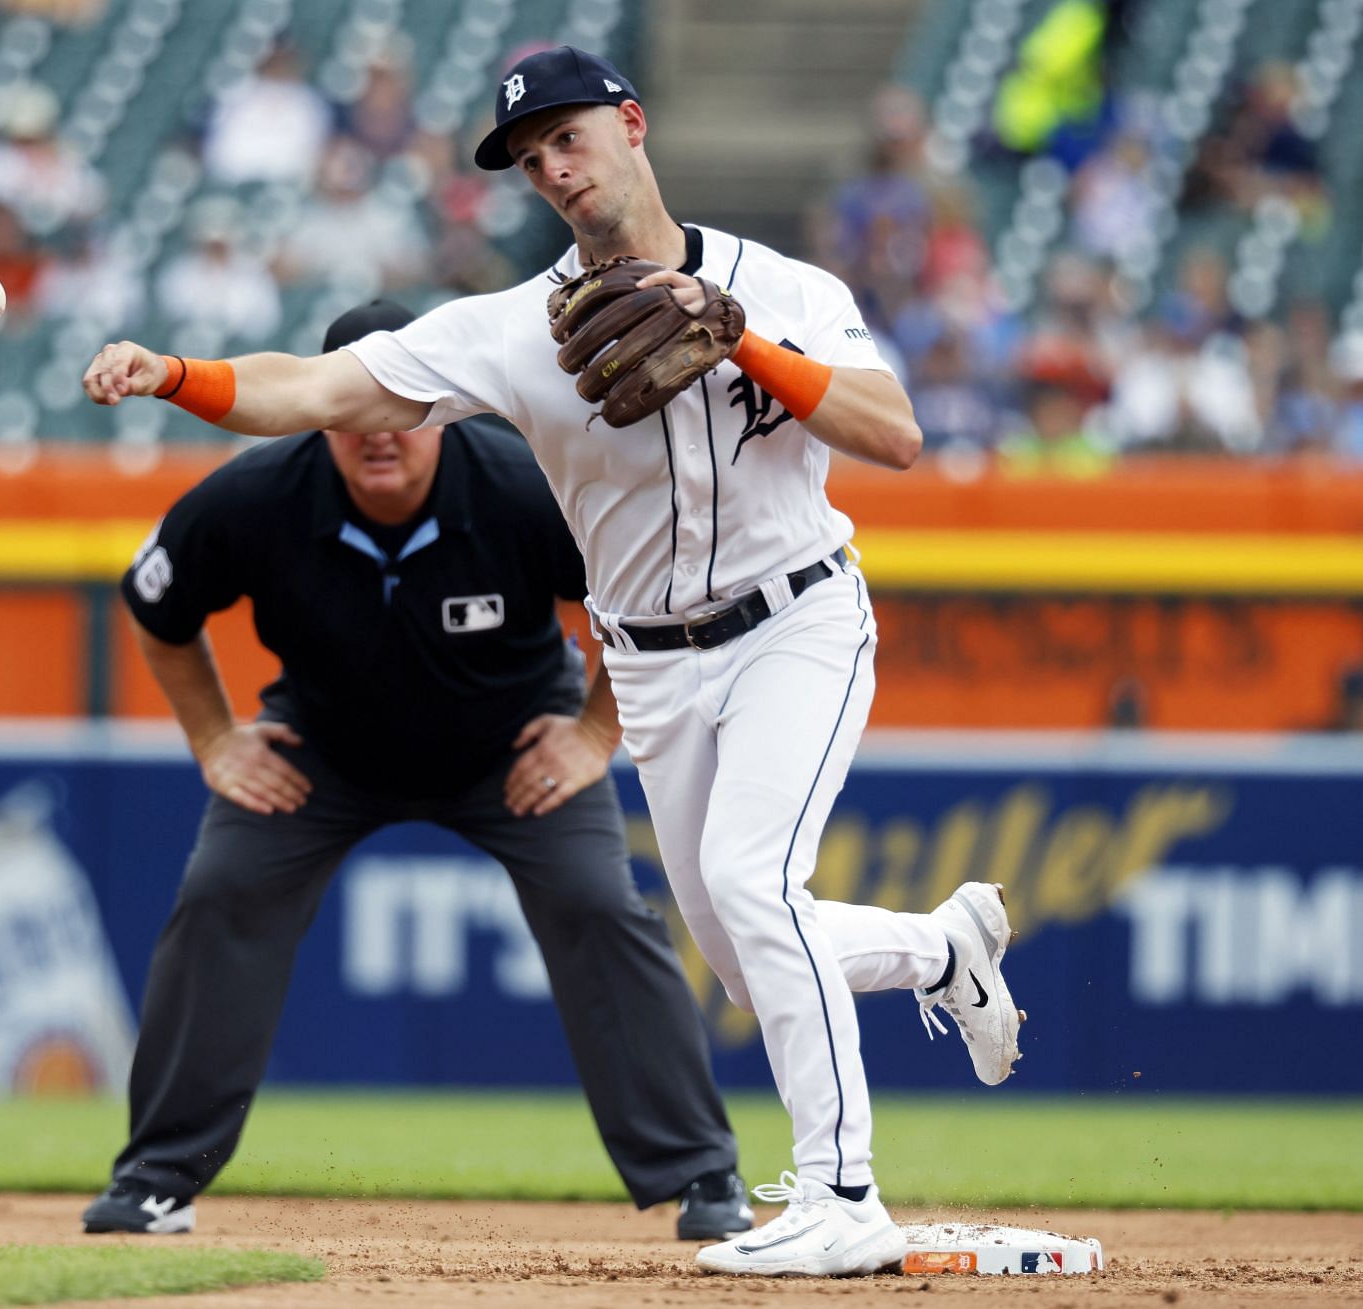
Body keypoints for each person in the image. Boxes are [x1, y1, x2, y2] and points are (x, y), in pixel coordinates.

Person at [82, 47, 1025, 1278]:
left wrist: (739, 339)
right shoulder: (511, 330)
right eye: (533, 162)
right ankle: (941, 952)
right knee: (745, 954)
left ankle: (844, 1194)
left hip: (798, 620)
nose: (555, 170)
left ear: (632, 127)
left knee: (753, 883)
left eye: (570, 140)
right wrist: (177, 377)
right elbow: (310, 386)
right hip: (649, 663)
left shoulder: (779, 284)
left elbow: (893, 432)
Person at [80, 300, 752, 1244]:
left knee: (601, 907)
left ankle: (701, 1177)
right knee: (222, 893)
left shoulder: (527, 488)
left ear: (440, 406)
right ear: (319, 411)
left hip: (512, 749)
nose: (376, 431)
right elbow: (155, 606)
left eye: (399, 404)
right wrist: (216, 740)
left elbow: (652, 599)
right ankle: (157, 1178)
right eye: (351, 406)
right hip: (323, 751)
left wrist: (595, 733)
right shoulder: (255, 499)